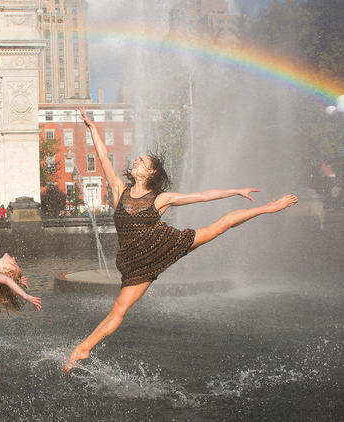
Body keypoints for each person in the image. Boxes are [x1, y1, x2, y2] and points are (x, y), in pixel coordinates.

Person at [64, 107, 298, 372]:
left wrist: (236, 190)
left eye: (142, 161)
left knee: (219, 227)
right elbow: (103, 158)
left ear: (151, 172)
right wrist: (92, 128)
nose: (136, 162)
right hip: (134, 261)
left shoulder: (161, 199)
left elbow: (201, 195)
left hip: (164, 245)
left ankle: (267, 208)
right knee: (119, 308)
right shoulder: (120, 190)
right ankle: (85, 349)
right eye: (137, 160)